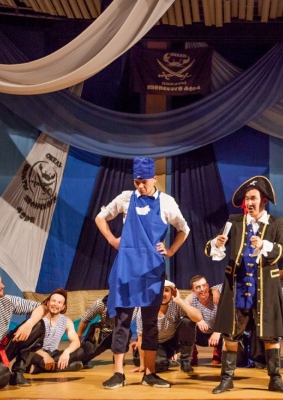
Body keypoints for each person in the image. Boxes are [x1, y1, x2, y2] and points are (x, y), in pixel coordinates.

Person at [95, 157, 190, 389]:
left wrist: (170, 251)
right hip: (126, 269)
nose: (140, 186)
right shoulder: (126, 198)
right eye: (137, 182)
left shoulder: (166, 202)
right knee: (122, 321)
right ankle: (118, 373)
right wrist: (113, 240)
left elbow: (184, 229)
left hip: (152, 271)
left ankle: (150, 373)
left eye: (144, 182)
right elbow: (100, 217)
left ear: (154, 179)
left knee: (149, 323)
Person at [205, 175, 283, 394]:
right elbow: (209, 249)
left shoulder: (275, 223)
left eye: (253, 198)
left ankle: (275, 379)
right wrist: (217, 243)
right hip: (237, 287)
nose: (249, 203)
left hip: (265, 288)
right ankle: (227, 379)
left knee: (270, 334)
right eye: (247, 199)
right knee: (231, 334)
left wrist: (265, 245)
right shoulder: (234, 222)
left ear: (264, 201)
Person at [131, 280, 203, 374]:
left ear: (172, 292)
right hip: (153, 344)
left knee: (188, 322)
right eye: (159, 290)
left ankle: (185, 362)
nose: (163, 294)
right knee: (159, 365)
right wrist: (142, 365)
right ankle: (164, 360)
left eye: (166, 290)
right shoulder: (146, 309)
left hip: (171, 342)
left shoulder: (175, 304)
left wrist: (179, 301)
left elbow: (198, 317)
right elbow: (141, 339)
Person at [29, 288, 84, 374]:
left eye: (59, 302)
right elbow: (29, 344)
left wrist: (66, 352)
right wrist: (45, 356)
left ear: (63, 307)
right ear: (48, 303)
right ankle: (63, 367)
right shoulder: (39, 316)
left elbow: (76, 342)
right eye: (53, 301)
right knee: (31, 356)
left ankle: (40, 368)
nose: (55, 304)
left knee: (81, 352)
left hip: (53, 354)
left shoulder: (66, 321)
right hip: (37, 352)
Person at [183, 275, 223, 366]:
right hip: (200, 334)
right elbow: (183, 311)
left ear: (208, 286)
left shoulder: (216, 295)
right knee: (185, 322)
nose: (202, 289)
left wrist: (218, 331)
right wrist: (198, 320)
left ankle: (218, 351)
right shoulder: (191, 298)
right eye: (198, 287)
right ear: (193, 291)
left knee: (227, 327)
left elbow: (226, 284)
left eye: (204, 285)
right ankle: (192, 354)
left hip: (217, 333)